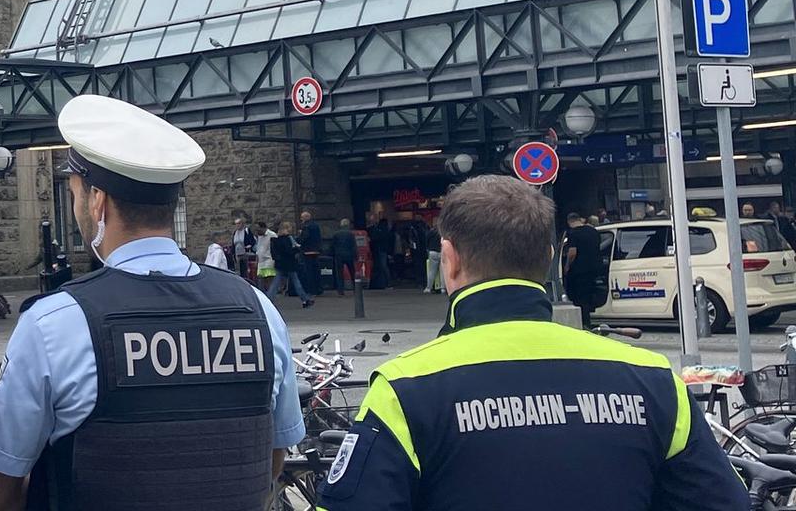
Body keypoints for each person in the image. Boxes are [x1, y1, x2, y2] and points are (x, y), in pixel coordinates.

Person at [318, 176, 747, 511]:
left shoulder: (404, 388)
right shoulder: (653, 379)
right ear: (548, 257)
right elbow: (722, 501)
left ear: (448, 259)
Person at [0, 95, 303, 511]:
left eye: (74, 194)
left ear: (97, 202)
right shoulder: (258, 310)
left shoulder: (55, 324)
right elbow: (272, 457)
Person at [562, 211, 606, 327]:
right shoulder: (593, 231)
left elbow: (572, 253)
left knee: (580, 298)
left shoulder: (573, 233)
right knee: (589, 295)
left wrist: (567, 266)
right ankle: (588, 319)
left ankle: (584, 322)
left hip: (579, 271)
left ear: (569, 222)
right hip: (595, 269)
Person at [272, 220, 314, 307]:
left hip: (280, 263)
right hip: (289, 263)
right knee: (296, 282)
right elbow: (289, 251)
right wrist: (297, 249)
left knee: (275, 283)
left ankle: (269, 298)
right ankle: (305, 299)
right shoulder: (288, 239)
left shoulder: (275, 239)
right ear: (286, 229)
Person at [299, 211, 325, 294]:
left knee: (309, 271)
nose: (301, 219)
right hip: (316, 251)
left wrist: (299, 239)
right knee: (316, 271)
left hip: (307, 251)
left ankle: (311, 289)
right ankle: (319, 288)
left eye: (302, 218)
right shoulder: (316, 226)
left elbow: (304, 238)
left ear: (306, 218)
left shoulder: (306, 226)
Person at [330, 218, 358, 295]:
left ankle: (340, 291)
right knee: (352, 272)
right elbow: (354, 246)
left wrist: (332, 254)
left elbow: (332, 246)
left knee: (339, 274)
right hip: (349, 255)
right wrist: (356, 256)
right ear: (348, 225)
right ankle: (356, 289)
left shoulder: (336, 234)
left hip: (339, 256)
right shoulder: (351, 234)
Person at [231, 214, 258, 282]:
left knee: (247, 270)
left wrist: (248, 246)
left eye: (239, 224)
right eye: (236, 224)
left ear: (242, 224)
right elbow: (233, 244)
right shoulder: (235, 233)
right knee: (240, 270)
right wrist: (233, 253)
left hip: (246, 254)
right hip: (238, 254)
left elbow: (252, 241)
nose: (237, 225)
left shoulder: (246, 231)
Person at [422, 221, 444, 293]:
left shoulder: (430, 232)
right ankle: (443, 288)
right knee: (442, 271)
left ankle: (428, 288)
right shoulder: (443, 233)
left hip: (432, 252)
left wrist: (428, 248)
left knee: (431, 271)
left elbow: (426, 241)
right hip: (441, 252)